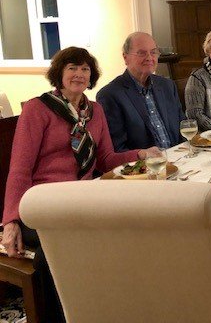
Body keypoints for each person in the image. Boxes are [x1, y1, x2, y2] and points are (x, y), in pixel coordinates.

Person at [1, 47, 157, 322]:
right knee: (61, 244)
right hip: (41, 201)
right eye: (72, 67)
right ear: (59, 73)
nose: (79, 74)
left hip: (79, 199)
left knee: (125, 224)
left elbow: (106, 159)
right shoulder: (38, 109)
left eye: (85, 69)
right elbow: (20, 169)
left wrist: (141, 153)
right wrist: (10, 221)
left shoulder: (95, 111)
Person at [97, 32, 185, 151]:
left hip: (179, 157)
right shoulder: (110, 95)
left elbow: (183, 129)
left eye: (153, 52)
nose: (149, 58)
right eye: (142, 53)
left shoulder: (167, 86)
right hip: (144, 162)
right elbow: (118, 149)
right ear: (125, 57)